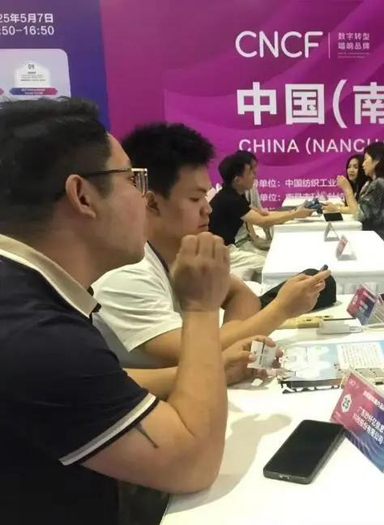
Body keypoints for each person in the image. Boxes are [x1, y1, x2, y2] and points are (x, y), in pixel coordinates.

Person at [0, 97, 263, 522]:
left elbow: (96, 380)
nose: (144, 200)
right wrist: (199, 308)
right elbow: (193, 462)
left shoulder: (26, 294)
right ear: (82, 196)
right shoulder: (34, 333)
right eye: (132, 180)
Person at [93, 123, 330, 377]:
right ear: (151, 203)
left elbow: (241, 296)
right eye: (195, 199)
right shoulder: (126, 272)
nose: (208, 209)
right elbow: (193, 354)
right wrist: (280, 309)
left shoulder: (182, 252)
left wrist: (228, 341)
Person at [209, 150, 314, 266]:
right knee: (271, 264)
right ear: (238, 180)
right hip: (222, 251)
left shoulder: (235, 194)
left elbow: (262, 215)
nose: (254, 176)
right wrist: (294, 214)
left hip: (228, 247)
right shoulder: (230, 199)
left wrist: (295, 212)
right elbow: (263, 221)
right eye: (250, 173)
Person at [324, 142, 384, 256]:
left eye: (366, 159)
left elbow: (358, 215)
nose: (363, 164)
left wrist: (347, 190)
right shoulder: (374, 183)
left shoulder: (379, 185)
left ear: (376, 161)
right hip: (376, 239)